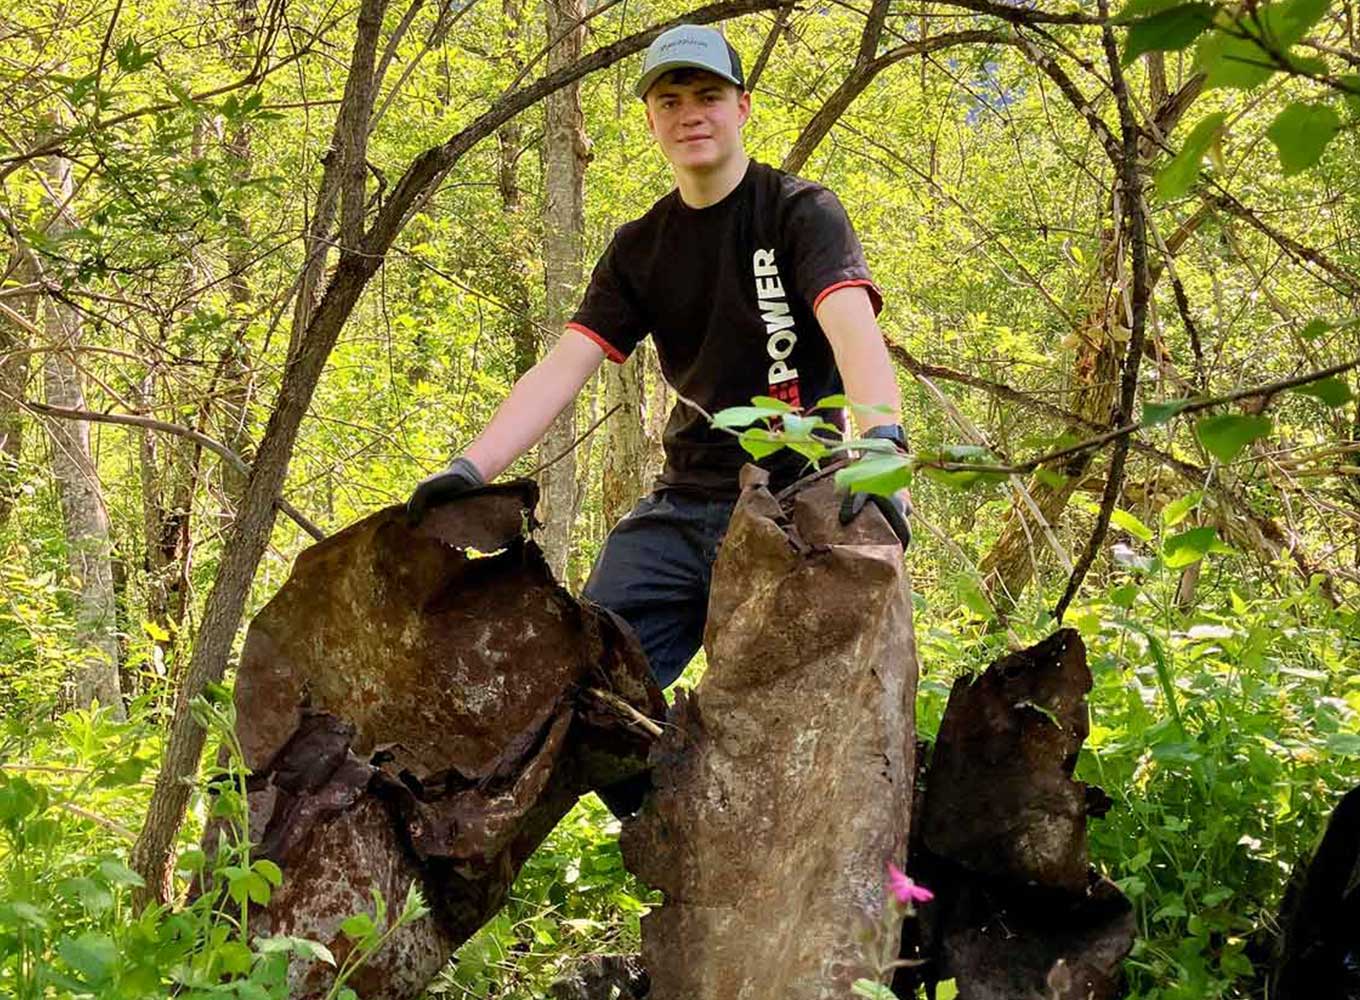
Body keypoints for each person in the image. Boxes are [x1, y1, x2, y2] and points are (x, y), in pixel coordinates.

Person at [409, 24, 910, 691]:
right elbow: (563, 368)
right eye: (670, 101)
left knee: (818, 707)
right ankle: (662, 794)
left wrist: (882, 454)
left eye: (707, 94)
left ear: (742, 107)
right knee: (586, 690)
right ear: (651, 120)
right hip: (686, 503)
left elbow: (854, 334)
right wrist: (469, 468)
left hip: (804, 498)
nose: (690, 114)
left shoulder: (798, 213)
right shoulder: (640, 249)